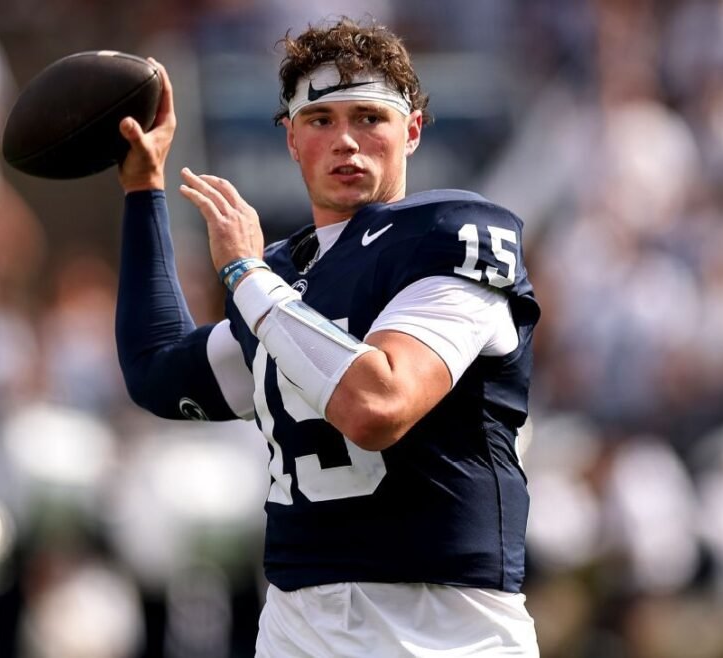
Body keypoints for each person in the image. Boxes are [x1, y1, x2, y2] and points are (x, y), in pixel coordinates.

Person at [112, 17, 541, 657]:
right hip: (297, 624)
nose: (346, 141)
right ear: (291, 138)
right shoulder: (283, 279)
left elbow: (377, 406)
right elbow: (156, 370)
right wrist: (143, 190)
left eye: (369, 117)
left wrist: (246, 279)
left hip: (443, 628)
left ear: (412, 130)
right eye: (320, 120)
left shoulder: (448, 237)